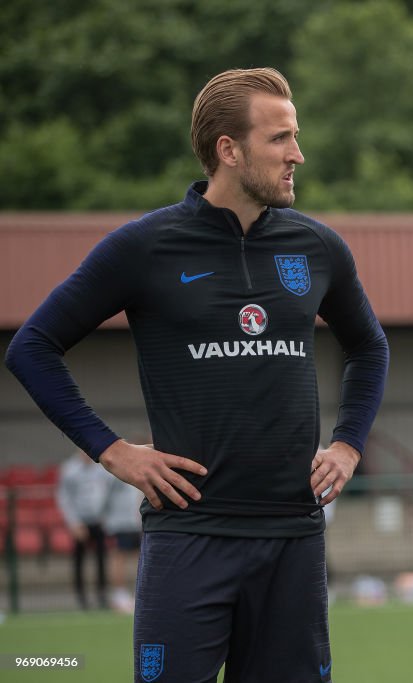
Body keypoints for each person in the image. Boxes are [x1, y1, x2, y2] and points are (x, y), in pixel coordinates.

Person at [5, 67, 389, 683]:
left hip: (294, 536)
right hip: (190, 535)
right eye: (280, 138)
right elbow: (32, 347)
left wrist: (348, 445)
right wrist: (112, 452)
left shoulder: (319, 248)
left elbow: (369, 347)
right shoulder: (145, 247)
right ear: (228, 151)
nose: (299, 154)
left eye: (296, 136)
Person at [56, 449, 114, 610]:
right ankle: (81, 597)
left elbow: (108, 492)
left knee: (101, 559)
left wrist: (105, 515)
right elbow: (64, 498)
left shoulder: (101, 468)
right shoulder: (69, 469)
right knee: (79, 561)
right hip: (80, 523)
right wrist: (74, 523)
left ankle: (102, 594)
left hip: (99, 521)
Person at [103, 470, 144, 614]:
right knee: (118, 557)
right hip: (119, 523)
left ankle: (133, 595)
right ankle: (119, 595)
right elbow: (105, 495)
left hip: (135, 522)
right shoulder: (112, 471)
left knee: (139, 557)